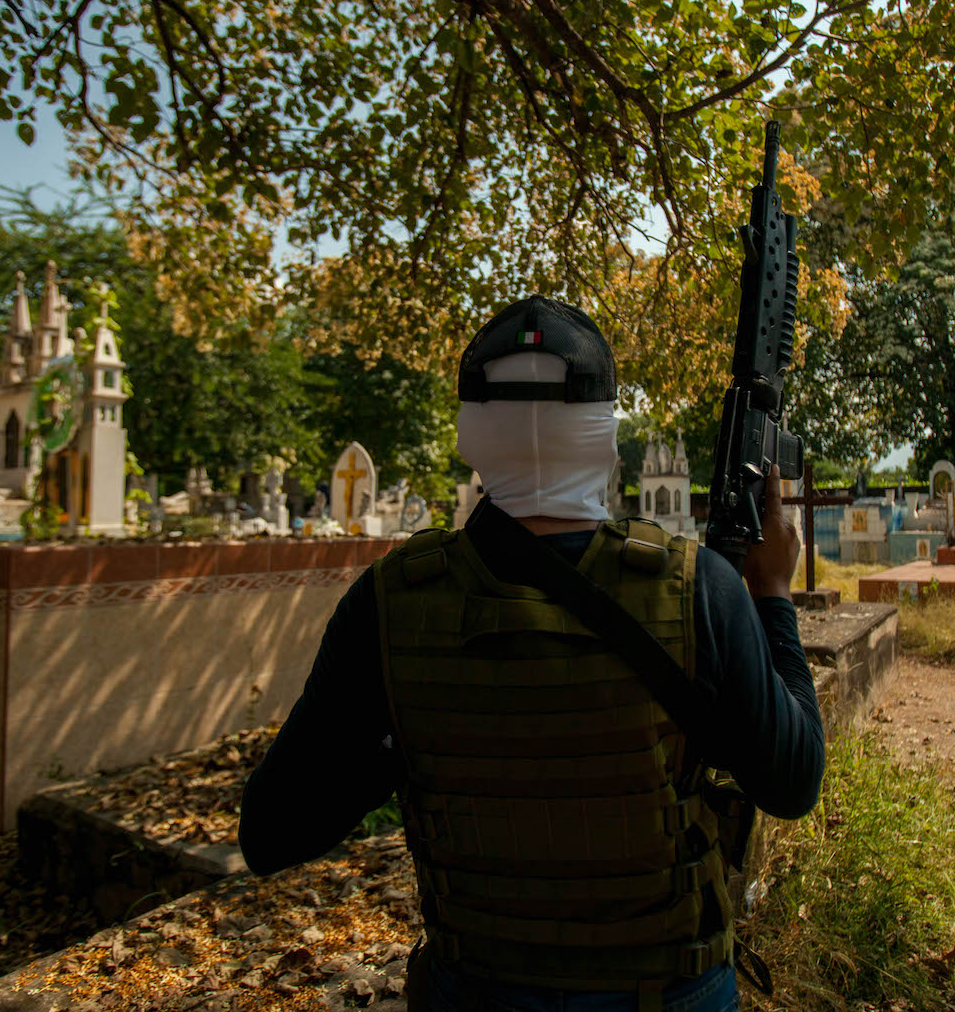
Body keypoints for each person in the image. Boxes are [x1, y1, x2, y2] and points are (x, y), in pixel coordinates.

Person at [240, 296, 824, 1011]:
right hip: (667, 990)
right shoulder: (698, 588)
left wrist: (416, 725)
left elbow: (271, 833)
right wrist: (770, 595)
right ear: (605, 434)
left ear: (469, 435)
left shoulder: (388, 605)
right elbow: (792, 783)